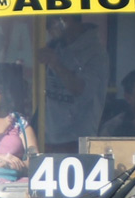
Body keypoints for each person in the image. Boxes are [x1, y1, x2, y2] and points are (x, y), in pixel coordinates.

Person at [40, 15, 109, 152]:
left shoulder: (95, 53)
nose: (48, 30)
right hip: (48, 136)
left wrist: (56, 64)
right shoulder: (55, 46)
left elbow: (80, 90)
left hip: (78, 140)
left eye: (49, 24)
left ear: (64, 20)